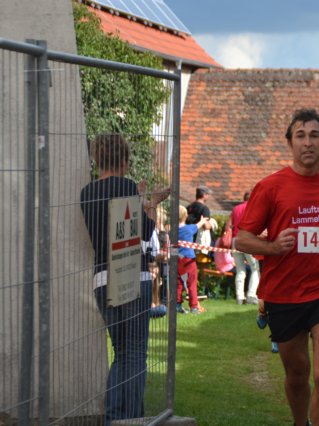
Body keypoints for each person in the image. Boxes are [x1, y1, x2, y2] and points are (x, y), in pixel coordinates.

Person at [236, 109, 319, 426]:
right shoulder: (270, 187)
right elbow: (242, 239)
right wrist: (273, 247)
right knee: (298, 375)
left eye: (314, 136)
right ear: (290, 143)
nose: (308, 142)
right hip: (284, 292)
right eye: (301, 136)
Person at [79, 134, 169, 424]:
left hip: (102, 279)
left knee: (121, 352)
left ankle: (114, 418)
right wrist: (150, 203)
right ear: (123, 160)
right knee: (135, 353)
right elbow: (143, 234)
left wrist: (140, 201)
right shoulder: (127, 187)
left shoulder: (86, 193)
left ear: (98, 159)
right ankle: (131, 419)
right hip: (131, 276)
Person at [177, 205, 209, 314]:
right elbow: (198, 225)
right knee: (192, 282)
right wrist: (203, 220)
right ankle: (194, 307)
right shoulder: (189, 228)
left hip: (177, 258)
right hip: (189, 260)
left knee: (179, 282)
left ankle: (177, 305)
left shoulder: (172, 231)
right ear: (186, 216)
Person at [230, 191, 260, 305]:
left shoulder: (235, 209)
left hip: (235, 239)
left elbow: (231, 224)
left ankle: (239, 297)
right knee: (255, 268)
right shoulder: (253, 208)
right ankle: (251, 295)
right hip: (248, 239)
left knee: (240, 270)